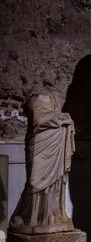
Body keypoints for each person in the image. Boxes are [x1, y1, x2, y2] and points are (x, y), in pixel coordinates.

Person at [9, 93, 75, 233]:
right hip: (38, 144)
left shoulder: (54, 99)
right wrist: (60, 117)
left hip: (54, 144)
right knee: (34, 181)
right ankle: (33, 217)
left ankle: (52, 216)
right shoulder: (36, 100)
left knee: (56, 180)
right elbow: (37, 121)